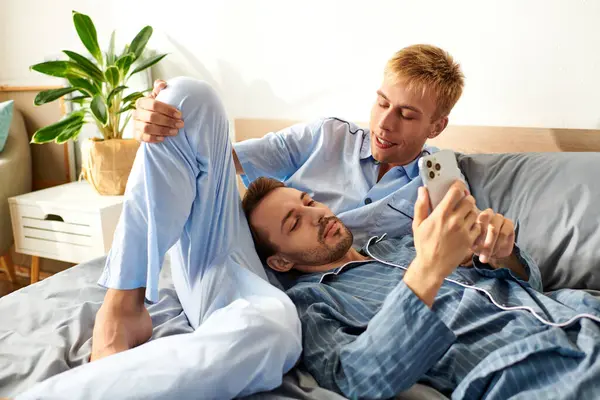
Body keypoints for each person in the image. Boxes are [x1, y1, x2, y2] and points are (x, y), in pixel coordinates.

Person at [17, 78, 301, 399]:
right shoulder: (334, 136)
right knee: (187, 98)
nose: (320, 213)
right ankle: (122, 306)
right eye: (374, 102)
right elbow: (217, 152)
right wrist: (157, 118)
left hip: (265, 286)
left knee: (271, 327)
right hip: (238, 239)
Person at [241, 176, 600, 399]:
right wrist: (430, 267)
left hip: (582, 316)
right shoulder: (311, 302)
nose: (317, 214)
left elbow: (530, 286)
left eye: (309, 202)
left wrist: (502, 255)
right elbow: (355, 380)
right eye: (295, 223)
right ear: (280, 262)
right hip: (535, 374)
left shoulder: (399, 243)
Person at [134, 45, 502, 259]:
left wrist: (485, 244)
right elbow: (218, 158)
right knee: (182, 108)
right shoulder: (327, 136)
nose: (385, 123)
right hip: (258, 262)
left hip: (340, 289)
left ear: (436, 127)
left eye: (406, 115)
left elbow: (464, 256)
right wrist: (165, 121)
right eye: (381, 103)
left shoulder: (440, 183)